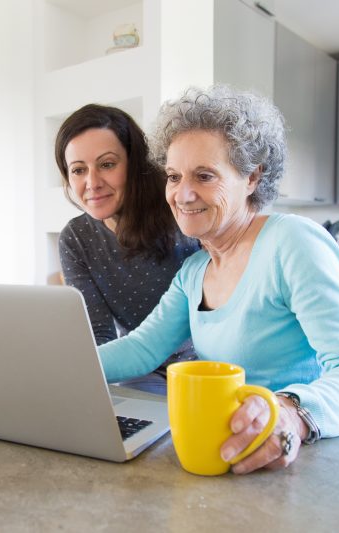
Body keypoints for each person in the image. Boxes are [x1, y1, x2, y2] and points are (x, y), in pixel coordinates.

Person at [98, 85, 339, 474]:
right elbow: (140, 349)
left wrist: (291, 415)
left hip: (300, 461)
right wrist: (58, 363)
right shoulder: (195, 271)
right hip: (223, 458)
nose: (182, 194)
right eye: (173, 176)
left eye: (204, 175)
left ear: (252, 177)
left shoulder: (292, 242)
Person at [55, 104, 201, 394]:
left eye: (107, 164)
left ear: (135, 164)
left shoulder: (180, 209)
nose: (92, 183)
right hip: (139, 370)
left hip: (205, 366)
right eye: (78, 170)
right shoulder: (76, 239)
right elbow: (99, 336)